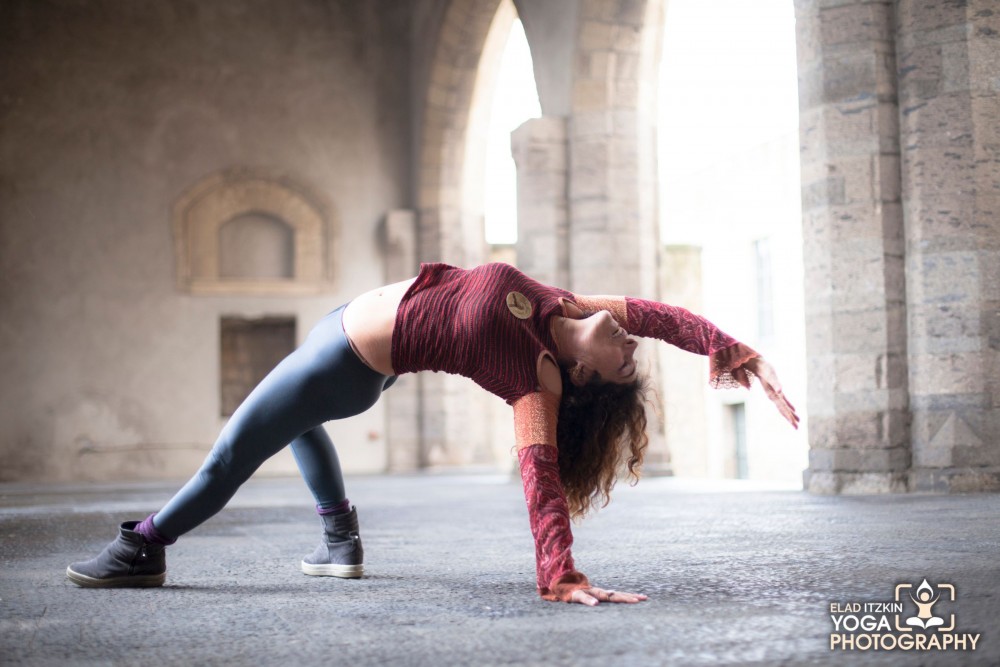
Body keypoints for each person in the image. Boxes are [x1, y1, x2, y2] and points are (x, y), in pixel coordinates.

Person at [66, 261, 798, 606]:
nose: (631, 348)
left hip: (346, 362)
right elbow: (664, 317)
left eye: (623, 365)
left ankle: (145, 547)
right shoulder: (568, 307)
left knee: (233, 452)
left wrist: (561, 573)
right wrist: (736, 350)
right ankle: (339, 540)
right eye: (630, 356)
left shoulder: (535, 380)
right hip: (345, 335)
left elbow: (541, 486)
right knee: (293, 426)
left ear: (580, 380)